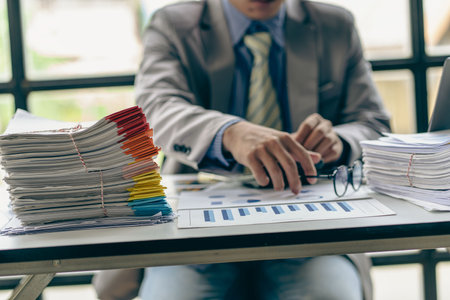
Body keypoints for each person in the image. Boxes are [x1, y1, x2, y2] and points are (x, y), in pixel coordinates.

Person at [98, 0, 390, 299]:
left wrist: (339, 142)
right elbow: (156, 108)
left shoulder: (334, 24)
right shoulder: (174, 23)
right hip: (193, 232)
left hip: (310, 227)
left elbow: (373, 123)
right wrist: (229, 134)